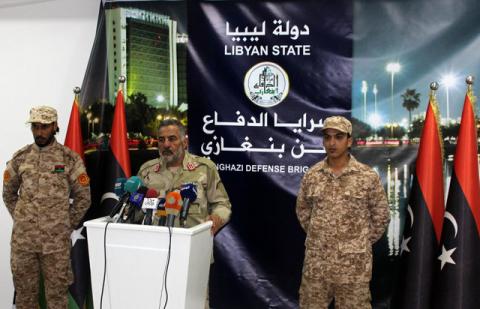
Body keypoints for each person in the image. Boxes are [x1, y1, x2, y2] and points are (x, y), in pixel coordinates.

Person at [296, 116, 389, 309]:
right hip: (317, 267)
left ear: (349, 141)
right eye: (327, 137)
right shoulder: (312, 176)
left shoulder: (366, 176)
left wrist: (358, 241)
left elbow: (381, 216)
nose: (332, 143)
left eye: (338, 137)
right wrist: (321, 237)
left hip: (353, 269)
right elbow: (303, 211)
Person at [3, 106, 91, 309]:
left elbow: (83, 197)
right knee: (25, 297)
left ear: (55, 126)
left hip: (55, 245)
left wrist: (65, 224)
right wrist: (22, 218)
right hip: (23, 243)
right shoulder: (21, 158)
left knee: (57, 298)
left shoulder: (69, 159)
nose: (39, 132)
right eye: (35, 127)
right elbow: (8, 193)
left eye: (44, 127)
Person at [137, 118, 231, 233]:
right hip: (155, 243)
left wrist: (216, 218)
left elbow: (222, 204)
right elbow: (136, 209)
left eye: (172, 139)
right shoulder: (146, 171)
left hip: (193, 244)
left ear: (184, 143)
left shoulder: (205, 168)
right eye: (161, 140)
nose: (166, 144)